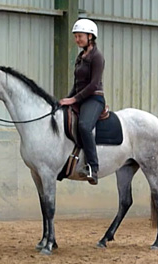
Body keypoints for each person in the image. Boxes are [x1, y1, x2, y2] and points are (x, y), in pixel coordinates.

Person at [59, 19, 105, 185]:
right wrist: (66, 99)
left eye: (80, 36)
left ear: (90, 36)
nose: (77, 40)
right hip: (80, 98)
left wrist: (74, 99)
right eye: (76, 37)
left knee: (84, 126)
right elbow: (77, 84)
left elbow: (93, 85)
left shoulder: (97, 56)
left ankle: (93, 167)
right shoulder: (80, 57)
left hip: (94, 98)